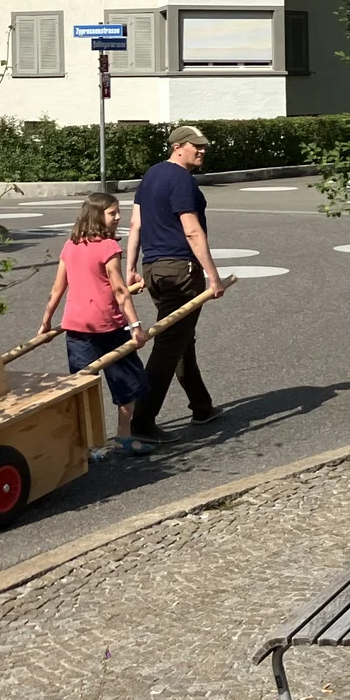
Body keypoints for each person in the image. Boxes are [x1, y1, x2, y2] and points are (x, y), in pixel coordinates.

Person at [125, 125, 226, 440]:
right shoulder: (181, 179)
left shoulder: (151, 175)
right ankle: (141, 422)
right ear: (178, 146)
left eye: (204, 146)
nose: (202, 151)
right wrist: (212, 275)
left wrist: (132, 268)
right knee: (169, 345)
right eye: (197, 146)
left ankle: (202, 406)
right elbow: (192, 230)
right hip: (181, 269)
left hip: (155, 269)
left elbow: (136, 225)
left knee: (180, 337)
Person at [37, 192, 151, 457]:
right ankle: (124, 437)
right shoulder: (108, 248)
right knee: (127, 383)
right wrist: (136, 325)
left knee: (83, 385)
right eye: (113, 213)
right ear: (98, 215)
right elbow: (120, 290)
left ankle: (88, 445)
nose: (118, 217)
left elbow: (58, 289)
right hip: (109, 327)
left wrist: (47, 321)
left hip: (75, 326)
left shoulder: (70, 245)